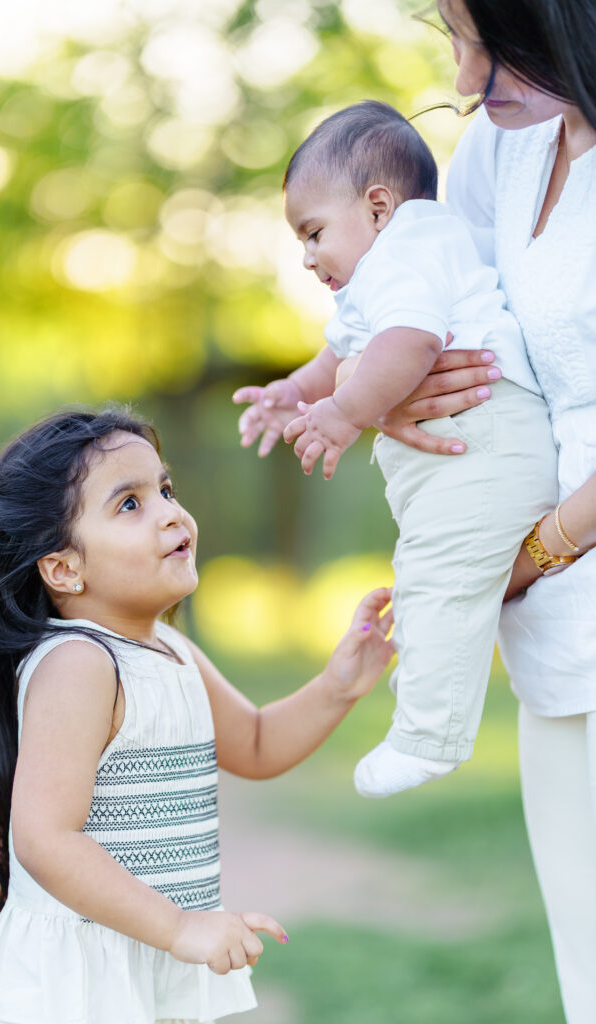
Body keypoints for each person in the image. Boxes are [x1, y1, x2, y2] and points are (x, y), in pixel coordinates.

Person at [239, 1, 596, 1018]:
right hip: (548, 633)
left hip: (550, 560)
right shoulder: (497, 150)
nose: (461, 76)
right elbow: (416, 316)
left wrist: (543, 543)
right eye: (452, 38)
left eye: (489, 41)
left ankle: (429, 725)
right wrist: (375, 400)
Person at [0, 407, 395, 1024]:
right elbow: (44, 837)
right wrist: (179, 928)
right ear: (64, 567)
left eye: (165, 489)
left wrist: (338, 685)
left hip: (150, 953)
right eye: (130, 504)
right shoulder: (79, 664)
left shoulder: (172, 652)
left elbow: (255, 742)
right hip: (88, 976)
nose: (171, 511)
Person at [235, 100, 557, 798]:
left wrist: (345, 414)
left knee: (437, 582)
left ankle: (427, 737)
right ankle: (426, 723)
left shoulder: (405, 252)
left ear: (377, 207)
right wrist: (294, 392)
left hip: (482, 437)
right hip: (472, 447)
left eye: (313, 231)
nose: (306, 255)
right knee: (430, 580)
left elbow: (409, 344)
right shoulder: (391, 270)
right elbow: (340, 351)